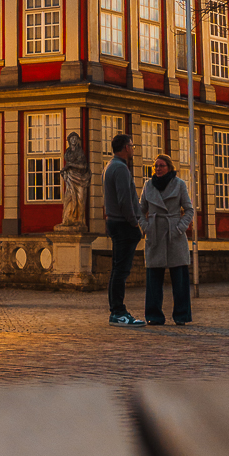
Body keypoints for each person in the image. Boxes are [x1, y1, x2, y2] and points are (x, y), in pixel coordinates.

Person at [140, 153, 195, 325]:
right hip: (155, 234)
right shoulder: (148, 185)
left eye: (161, 166)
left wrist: (180, 227)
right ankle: (153, 316)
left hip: (174, 235)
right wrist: (146, 227)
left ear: (169, 167)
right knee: (153, 279)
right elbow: (140, 210)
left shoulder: (179, 184)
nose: (158, 169)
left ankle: (181, 315)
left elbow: (189, 210)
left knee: (180, 280)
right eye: (156, 166)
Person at [103, 133, 146, 328]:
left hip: (115, 222)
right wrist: (134, 223)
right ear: (126, 148)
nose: (133, 150)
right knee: (121, 270)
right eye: (132, 146)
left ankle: (117, 311)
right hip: (122, 224)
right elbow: (124, 201)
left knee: (118, 269)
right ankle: (118, 312)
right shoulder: (120, 168)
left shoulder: (110, 166)